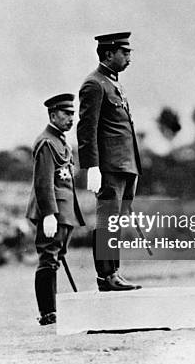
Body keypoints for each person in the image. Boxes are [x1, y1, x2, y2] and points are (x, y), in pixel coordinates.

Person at [77, 32, 142, 291]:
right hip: (109, 168)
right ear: (108, 54)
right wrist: (91, 166)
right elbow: (87, 129)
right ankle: (106, 276)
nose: (129, 58)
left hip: (125, 166)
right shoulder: (94, 84)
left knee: (115, 221)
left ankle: (113, 272)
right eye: (125, 52)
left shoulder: (113, 84)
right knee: (107, 220)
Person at [26, 93, 85, 325]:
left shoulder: (60, 141)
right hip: (54, 211)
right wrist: (49, 213)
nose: (71, 118)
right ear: (53, 114)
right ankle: (48, 312)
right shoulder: (47, 142)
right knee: (48, 258)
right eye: (66, 114)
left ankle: (52, 309)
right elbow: (43, 182)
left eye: (73, 114)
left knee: (55, 258)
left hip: (65, 210)